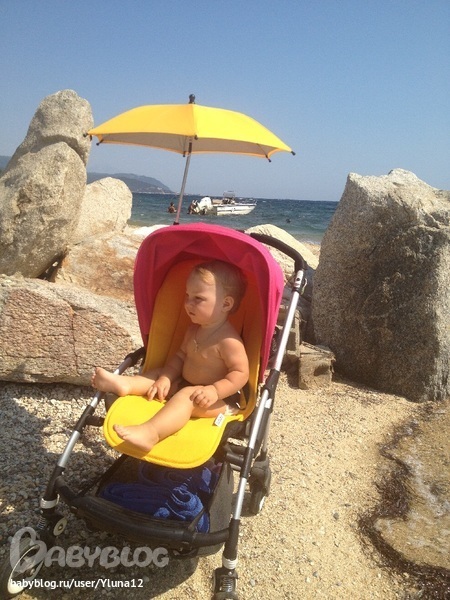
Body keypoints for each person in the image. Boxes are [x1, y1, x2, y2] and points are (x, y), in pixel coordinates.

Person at [92, 260, 249, 452]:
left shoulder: (229, 341)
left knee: (186, 396)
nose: (188, 303)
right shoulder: (193, 330)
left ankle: (151, 433)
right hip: (186, 384)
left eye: (198, 298)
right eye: (187, 296)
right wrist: (166, 378)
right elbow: (180, 357)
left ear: (226, 304)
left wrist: (215, 391)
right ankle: (125, 384)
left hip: (217, 401)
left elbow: (240, 374)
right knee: (159, 374)